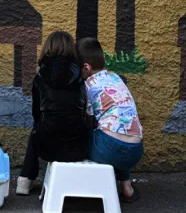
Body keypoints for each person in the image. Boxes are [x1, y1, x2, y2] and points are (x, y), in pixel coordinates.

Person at [16, 31, 89, 196]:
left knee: (38, 129)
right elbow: (82, 110)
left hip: (47, 146)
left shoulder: (40, 76)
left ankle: (24, 180)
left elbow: (36, 113)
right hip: (78, 147)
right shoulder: (79, 76)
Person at [78, 38, 144, 203]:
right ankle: (127, 188)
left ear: (86, 68)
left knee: (89, 135)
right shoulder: (115, 78)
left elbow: (89, 121)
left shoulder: (88, 86)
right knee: (120, 131)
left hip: (109, 149)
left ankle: (85, 186)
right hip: (136, 150)